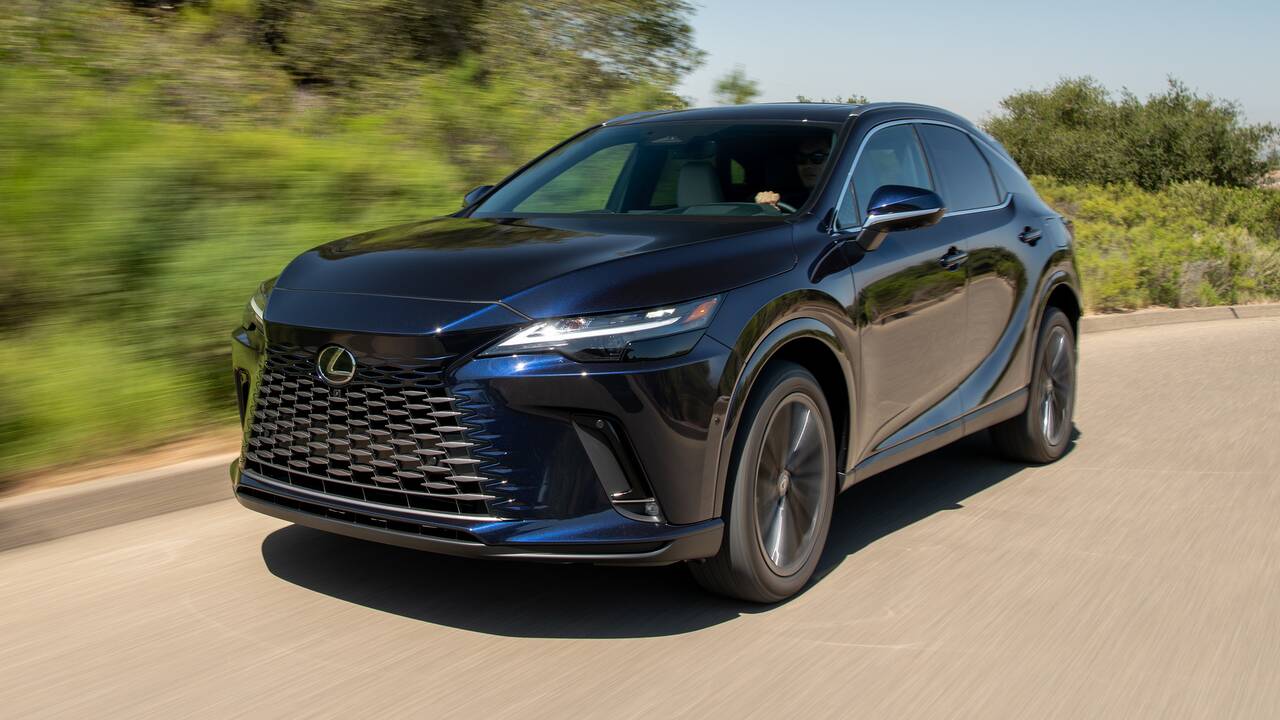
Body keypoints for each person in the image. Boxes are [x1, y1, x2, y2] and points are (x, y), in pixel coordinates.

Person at [755, 136, 831, 211]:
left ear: (834, 159)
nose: (807, 165)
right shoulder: (786, 202)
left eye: (817, 158)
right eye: (801, 159)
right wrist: (768, 209)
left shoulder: (840, 201)